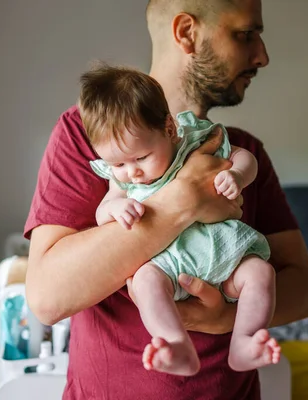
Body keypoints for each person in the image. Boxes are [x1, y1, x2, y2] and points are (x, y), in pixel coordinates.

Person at [24, 0, 308, 398]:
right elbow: (47, 298)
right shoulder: (88, 137)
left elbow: (305, 289)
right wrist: (183, 199)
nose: (262, 56)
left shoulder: (242, 153)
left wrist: (226, 318)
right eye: (246, 34)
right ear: (186, 33)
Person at [79, 64, 281, 376]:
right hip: (169, 266)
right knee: (145, 281)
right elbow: (104, 208)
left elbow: (244, 158)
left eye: (141, 158)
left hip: (223, 251)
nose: (132, 172)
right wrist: (116, 209)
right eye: (117, 163)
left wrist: (236, 175)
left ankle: (244, 342)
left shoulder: (195, 143)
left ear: (169, 130)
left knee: (260, 273)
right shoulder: (122, 180)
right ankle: (176, 345)